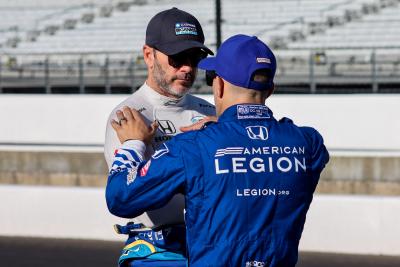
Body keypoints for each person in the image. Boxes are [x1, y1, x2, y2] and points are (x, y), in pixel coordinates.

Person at [106, 34, 329, 266]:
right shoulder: (307, 143)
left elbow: (121, 198)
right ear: (270, 89)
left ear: (219, 85)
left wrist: (134, 143)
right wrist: (229, 129)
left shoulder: (194, 146)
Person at [103, 7, 215, 266]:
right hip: (155, 253)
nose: (188, 68)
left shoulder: (209, 112)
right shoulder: (128, 115)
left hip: (205, 248)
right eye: (177, 58)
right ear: (148, 55)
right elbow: (129, 192)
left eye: (194, 57)